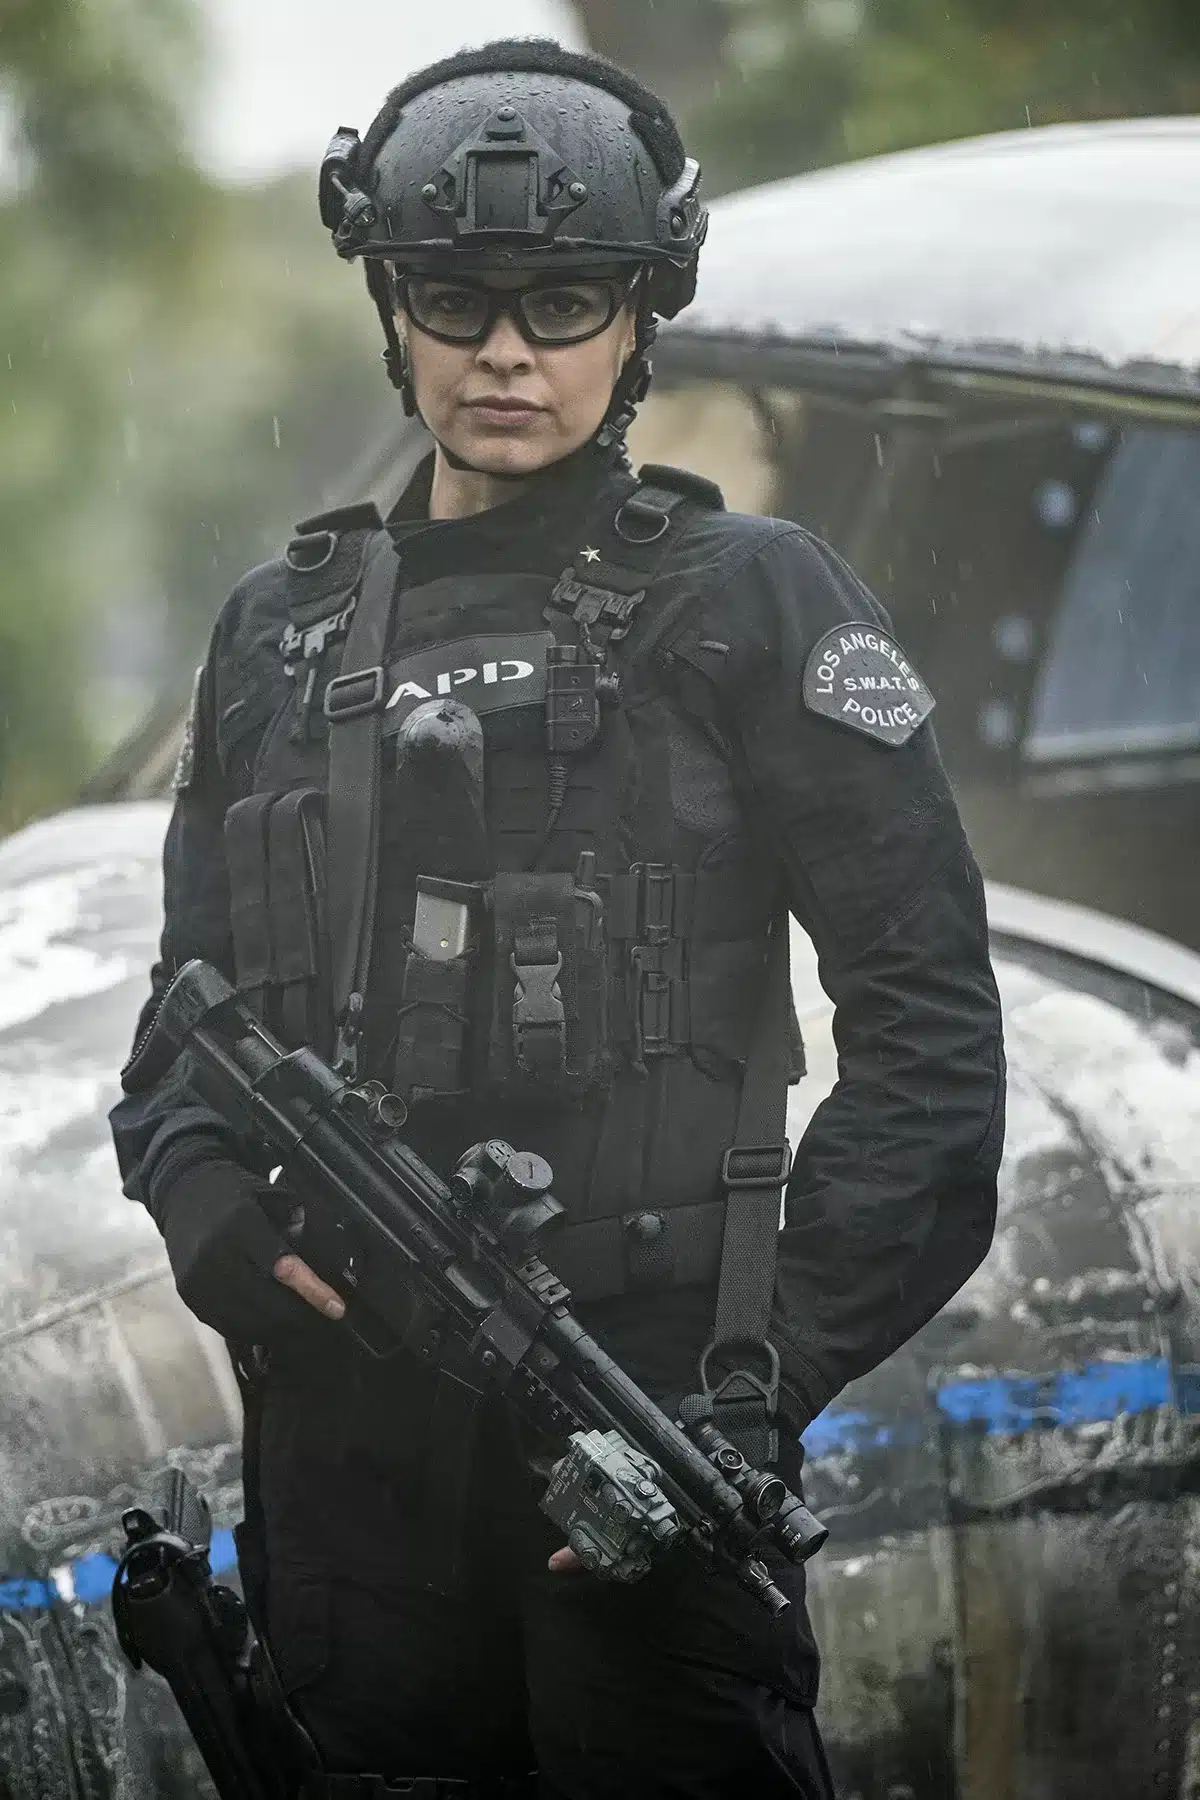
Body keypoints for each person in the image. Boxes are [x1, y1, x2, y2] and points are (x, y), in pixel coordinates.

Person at [110, 37, 1005, 1800]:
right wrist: (204, 1199)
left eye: (564, 301)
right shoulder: (277, 634)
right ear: (395, 311)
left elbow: (934, 1052)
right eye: (456, 299)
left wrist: (748, 1393)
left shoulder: (755, 602)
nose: (505, 351)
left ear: (639, 315)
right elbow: (181, 1030)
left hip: (639, 1423)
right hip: (349, 1458)